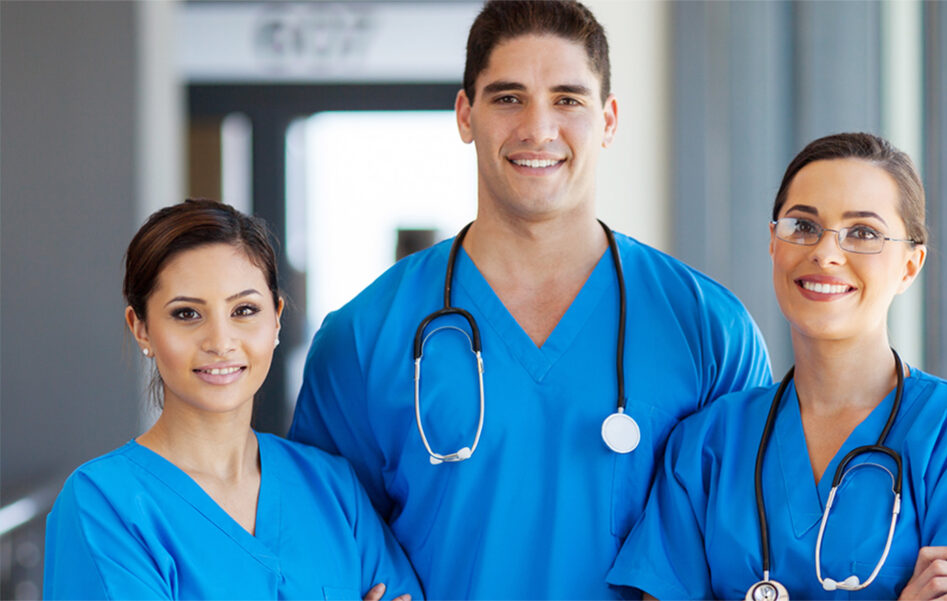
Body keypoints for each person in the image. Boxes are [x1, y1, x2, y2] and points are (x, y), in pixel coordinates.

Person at [288, 1, 771, 598]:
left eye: (568, 99)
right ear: (466, 115)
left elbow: (754, 548)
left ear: (609, 119)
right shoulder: (363, 337)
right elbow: (319, 543)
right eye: (508, 97)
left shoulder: (708, 329)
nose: (538, 129)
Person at [607, 133, 947, 600]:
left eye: (863, 233)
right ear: (773, 242)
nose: (825, 253)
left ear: (910, 265)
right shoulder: (708, 444)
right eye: (803, 226)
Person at [44, 200, 422, 600]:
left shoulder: (333, 489)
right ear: (141, 329)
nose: (221, 343)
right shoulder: (104, 505)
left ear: (275, 319)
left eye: (244, 310)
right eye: (187, 314)